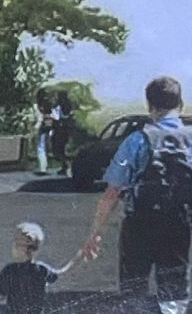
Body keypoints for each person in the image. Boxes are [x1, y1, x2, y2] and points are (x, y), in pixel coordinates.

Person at [80, 74, 190, 314]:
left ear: (150, 106)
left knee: (134, 286)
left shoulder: (136, 141)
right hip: (179, 223)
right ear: (180, 105)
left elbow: (112, 192)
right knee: (174, 286)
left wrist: (95, 234)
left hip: (140, 223)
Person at [0, 221, 75, 313]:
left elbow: (2, 291)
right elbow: (60, 274)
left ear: (31, 249)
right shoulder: (40, 269)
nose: (14, 247)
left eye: (18, 244)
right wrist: (79, 258)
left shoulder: (10, 270)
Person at [34, 91, 56, 177]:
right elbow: (54, 116)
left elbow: (39, 119)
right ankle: (45, 166)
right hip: (49, 128)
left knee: (41, 148)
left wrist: (35, 128)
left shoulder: (39, 106)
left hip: (42, 129)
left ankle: (43, 168)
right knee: (46, 147)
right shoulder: (49, 104)